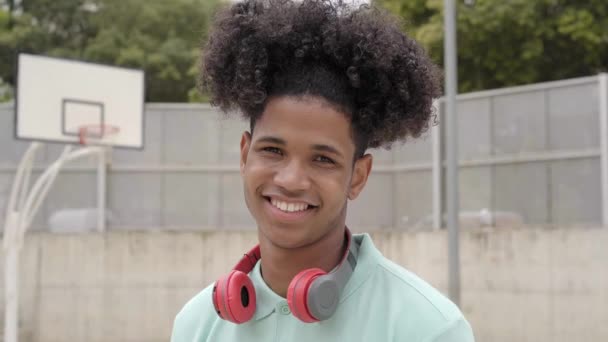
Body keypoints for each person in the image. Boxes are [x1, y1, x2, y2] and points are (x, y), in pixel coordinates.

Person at [171, 0, 475, 341]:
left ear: (358, 176)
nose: (290, 180)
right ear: (245, 156)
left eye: (323, 159)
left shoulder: (428, 328)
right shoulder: (197, 325)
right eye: (273, 150)